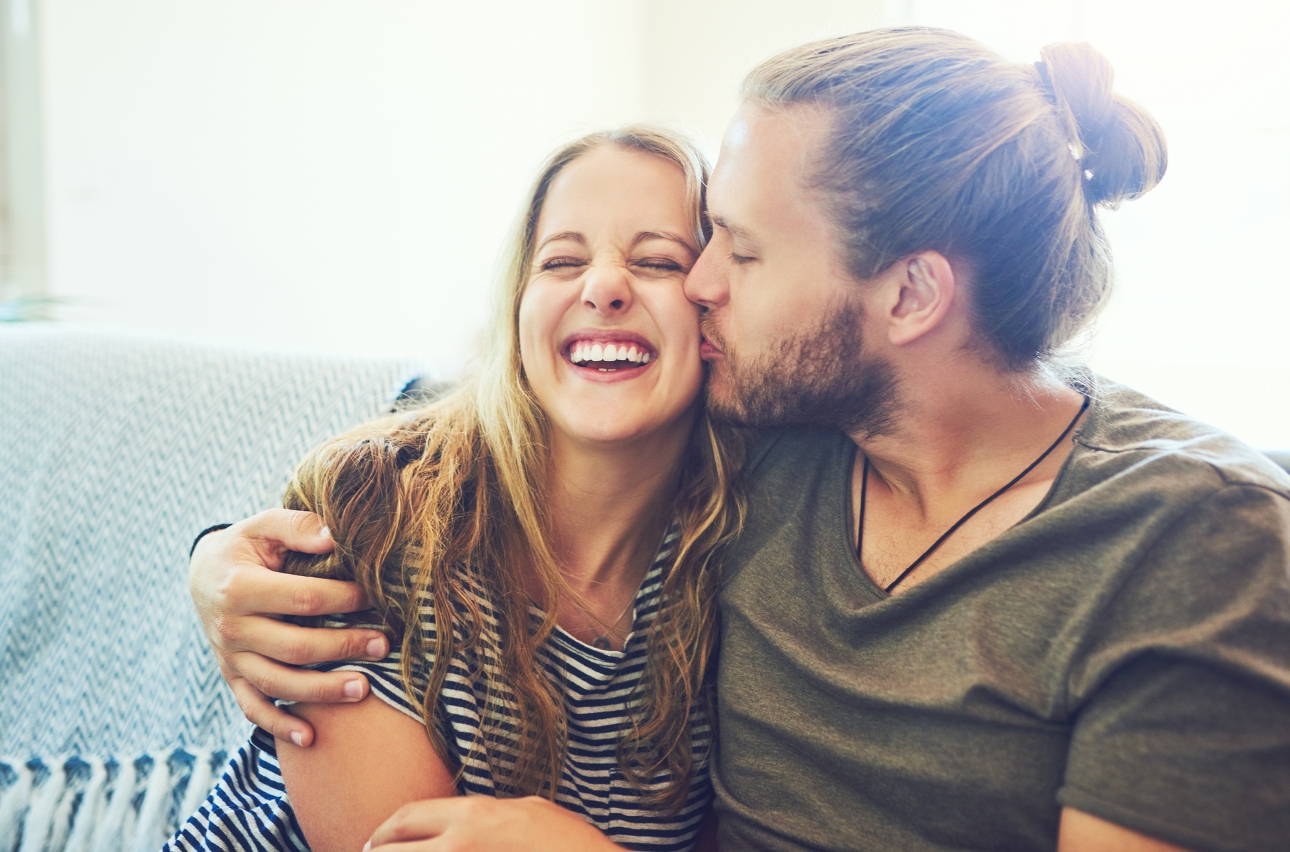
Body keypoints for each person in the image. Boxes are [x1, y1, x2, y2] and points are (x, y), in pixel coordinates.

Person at [190, 27, 1290, 852]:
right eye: (701, 241)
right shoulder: (775, 440)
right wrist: (219, 561)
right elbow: (485, 422)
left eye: (736, 252)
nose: (700, 286)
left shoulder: (1190, 543)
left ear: (910, 295)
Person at [169, 125, 746, 852]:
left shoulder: (736, 561)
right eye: (561, 260)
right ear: (516, 311)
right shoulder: (379, 514)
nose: (603, 287)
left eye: (658, 260)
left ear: (715, 314)